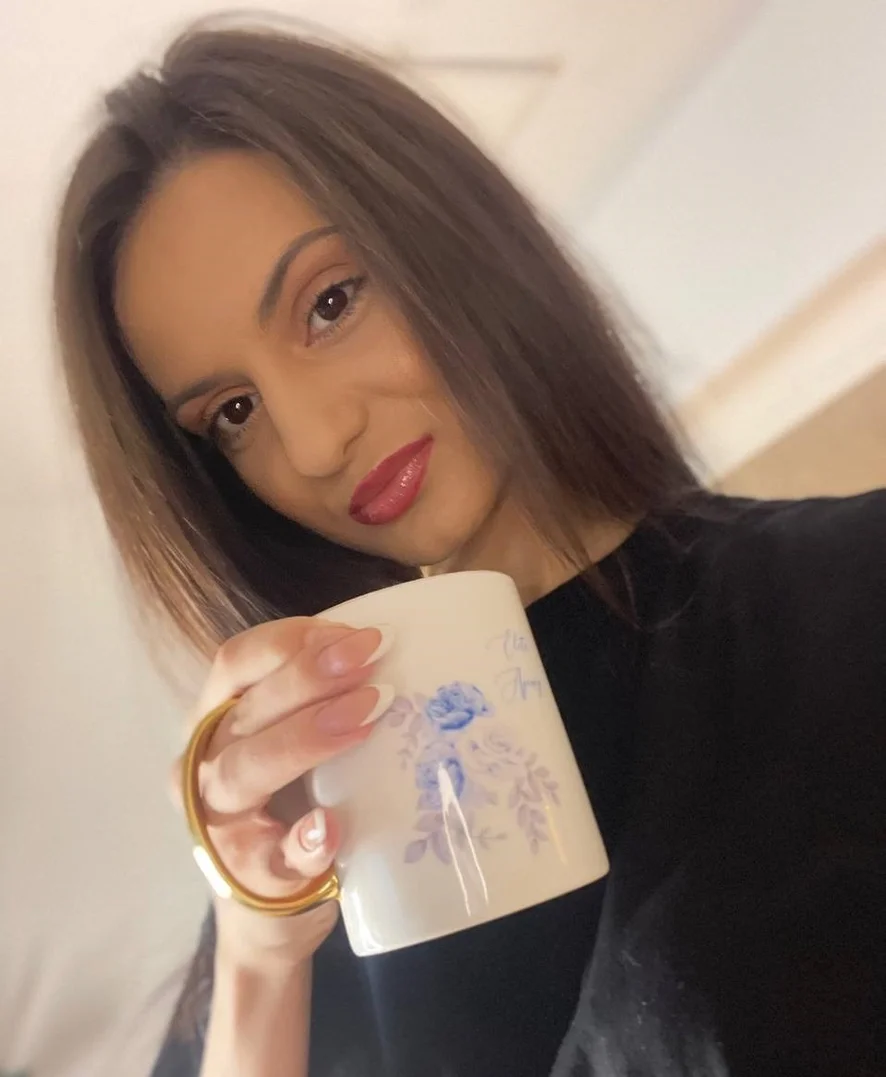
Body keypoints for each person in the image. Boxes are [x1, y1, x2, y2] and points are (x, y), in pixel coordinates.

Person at [53, 22, 885, 1077]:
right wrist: (260, 957)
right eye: (233, 412)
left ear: (449, 236)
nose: (314, 443)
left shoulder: (846, 596)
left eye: (330, 302)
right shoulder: (313, 817)